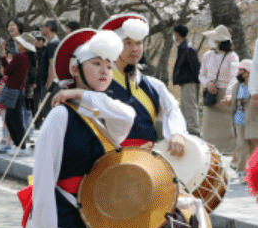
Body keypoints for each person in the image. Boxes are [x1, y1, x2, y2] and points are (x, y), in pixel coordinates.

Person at [18, 29, 135, 228]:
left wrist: (82, 95)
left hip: (92, 221)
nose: (104, 71)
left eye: (109, 66)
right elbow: (43, 177)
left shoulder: (100, 114)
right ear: (75, 69)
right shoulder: (60, 115)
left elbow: (128, 116)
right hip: (62, 223)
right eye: (96, 64)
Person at [100, 14, 187, 155]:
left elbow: (172, 110)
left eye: (139, 43)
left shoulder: (154, 85)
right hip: (111, 157)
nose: (134, 49)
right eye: (128, 43)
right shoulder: (100, 83)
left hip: (148, 158)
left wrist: (177, 133)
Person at [199, 25, 238, 154]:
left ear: (220, 41)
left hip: (226, 96)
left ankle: (228, 151)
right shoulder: (207, 55)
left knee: (227, 126)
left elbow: (234, 77)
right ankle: (210, 152)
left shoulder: (232, 56)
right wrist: (207, 83)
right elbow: (201, 74)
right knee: (208, 126)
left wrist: (229, 93)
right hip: (210, 95)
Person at [0, 32, 36, 156]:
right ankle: (19, 145)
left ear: (24, 45)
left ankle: (21, 146)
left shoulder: (19, 56)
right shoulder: (25, 57)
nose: (17, 44)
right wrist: (3, 53)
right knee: (12, 119)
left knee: (14, 120)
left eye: (19, 43)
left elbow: (6, 71)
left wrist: (3, 57)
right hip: (18, 91)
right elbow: (8, 70)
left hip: (13, 90)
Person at [225, 59, 257, 180]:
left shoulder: (255, 87)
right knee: (241, 146)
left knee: (254, 148)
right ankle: (241, 171)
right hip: (239, 121)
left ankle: (252, 173)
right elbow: (234, 101)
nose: (238, 73)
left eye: (240, 70)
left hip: (253, 122)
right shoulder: (237, 87)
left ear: (247, 72)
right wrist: (228, 101)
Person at [172, 24, 201, 135]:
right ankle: (187, 128)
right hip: (185, 82)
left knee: (190, 105)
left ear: (177, 34)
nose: (174, 36)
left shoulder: (188, 49)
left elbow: (196, 67)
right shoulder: (183, 48)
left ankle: (194, 129)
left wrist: (196, 81)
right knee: (185, 105)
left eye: (174, 33)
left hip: (190, 82)